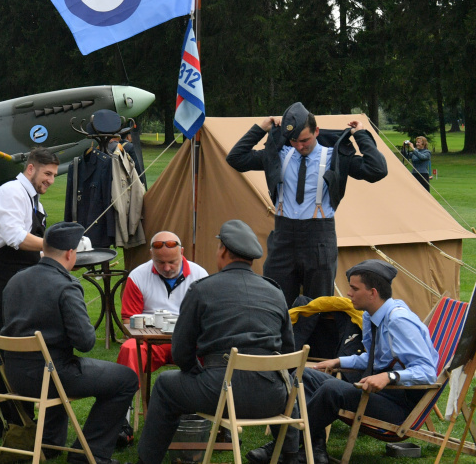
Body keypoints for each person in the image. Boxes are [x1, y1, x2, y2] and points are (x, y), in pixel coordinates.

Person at [137, 220, 295, 464]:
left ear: (222, 250)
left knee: (166, 385)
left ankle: (148, 461)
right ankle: (290, 454)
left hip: (219, 391)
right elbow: (288, 352)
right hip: (272, 397)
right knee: (290, 382)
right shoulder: (275, 291)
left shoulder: (202, 289)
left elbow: (181, 352)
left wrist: (197, 372)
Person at [252, 260, 440, 464]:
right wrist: (338, 360)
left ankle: (280, 447)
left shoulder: (399, 321)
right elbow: (376, 358)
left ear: (373, 293)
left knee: (331, 389)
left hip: (399, 405)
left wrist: (389, 376)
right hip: (378, 393)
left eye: (354, 288)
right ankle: (314, 450)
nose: (348, 293)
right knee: (303, 375)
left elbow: (428, 371)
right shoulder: (371, 316)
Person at [0, 221, 138, 464]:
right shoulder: (67, 286)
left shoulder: (15, 280)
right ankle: (89, 455)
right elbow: (85, 342)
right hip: (50, 376)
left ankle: (50, 444)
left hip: (13, 375)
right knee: (126, 379)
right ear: (71, 253)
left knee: (53, 364)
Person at [226, 102, 388, 305]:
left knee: (318, 304)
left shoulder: (334, 156)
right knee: (276, 301)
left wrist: (361, 135)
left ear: (317, 131)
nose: (300, 146)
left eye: (305, 140)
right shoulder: (280, 155)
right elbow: (235, 158)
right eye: (293, 141)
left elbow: (377, 170)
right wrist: (261, 128)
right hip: (283, 236)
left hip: (319, 237)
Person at [115, 231, 209, 442]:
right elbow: (128, 320)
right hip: (150, 345)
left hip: (189, 345)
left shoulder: (200, 275)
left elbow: (208, 317)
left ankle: (213, 416)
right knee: (129, 348)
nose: (166, 268)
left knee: (214, 352)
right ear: (151, 255)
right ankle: (122, 420)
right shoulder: (138, 276)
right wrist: (152, 329)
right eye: (160, 262)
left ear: (182, 253)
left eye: (172, 262)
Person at [0, 147, 57, 367]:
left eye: (53, 175)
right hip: (4, 283)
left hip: (25, 283)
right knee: (4, 357)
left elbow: (35, 248)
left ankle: (24, 401)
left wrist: (56, 261)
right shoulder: (11, 191)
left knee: (25, 359)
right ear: (31, 168)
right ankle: (3, 402)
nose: (51, 180)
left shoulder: (34, 200)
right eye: (47, 174)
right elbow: (15, 237)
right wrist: (55, 248)